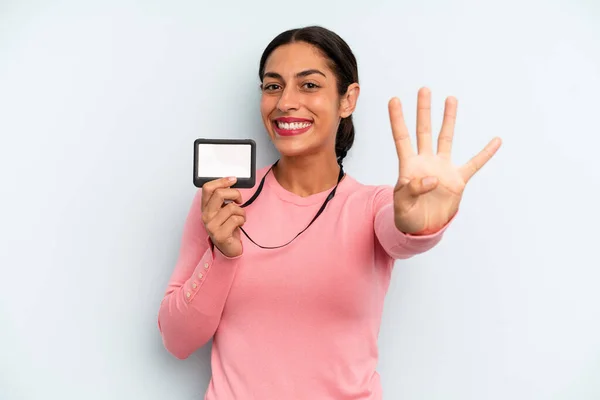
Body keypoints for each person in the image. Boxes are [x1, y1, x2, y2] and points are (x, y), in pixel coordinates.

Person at [157, 25, 501, 399]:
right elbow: (178, 340)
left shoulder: (374, 206)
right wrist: (222, 254)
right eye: (273, 86)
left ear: (347, 99)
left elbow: (400, 231)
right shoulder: (223, 200)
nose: (285, 102)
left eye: (309, 85)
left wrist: (420, 225)